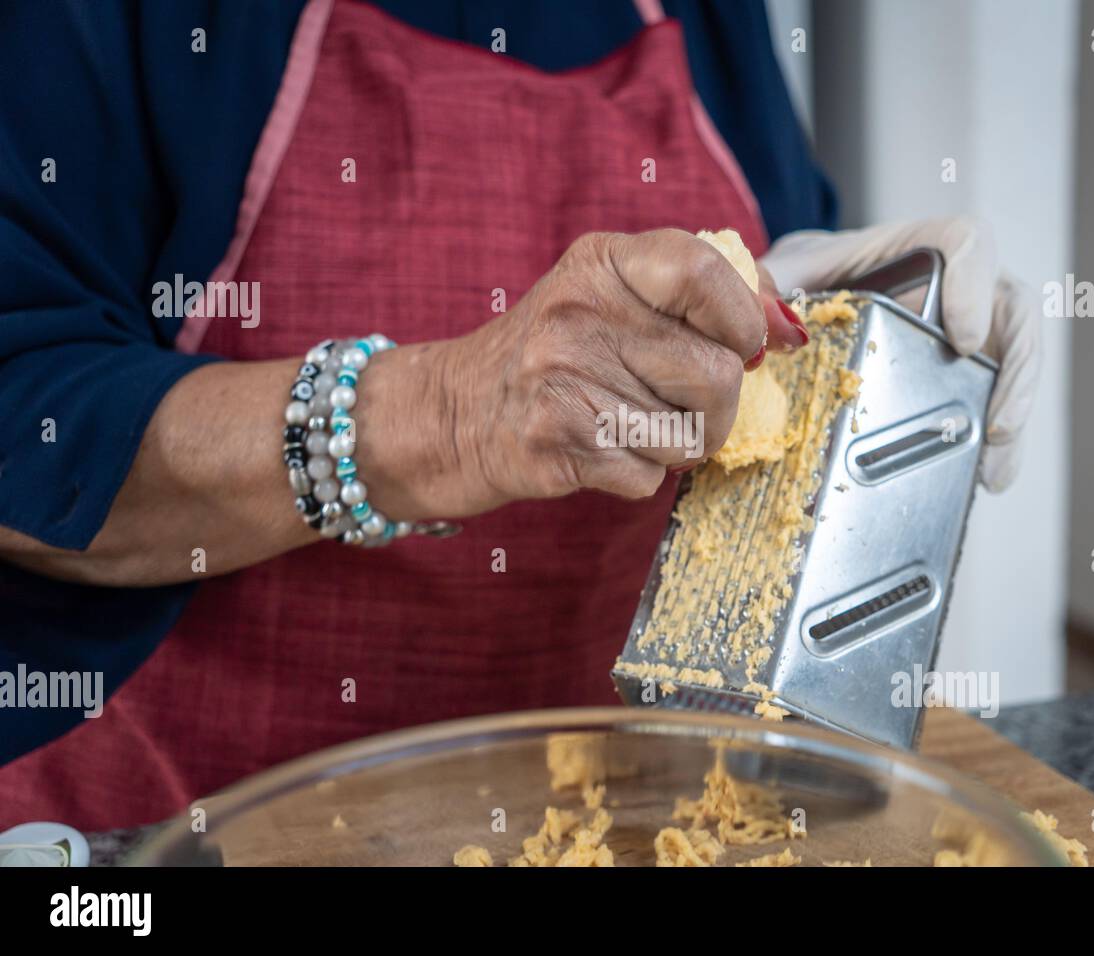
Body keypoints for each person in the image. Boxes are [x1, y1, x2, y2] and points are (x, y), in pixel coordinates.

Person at [0, 0, 1038, 830]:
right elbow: (25, 417)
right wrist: (450, 416)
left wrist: (852, 333)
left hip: (627, 820)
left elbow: (753, 320)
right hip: (196, 821)